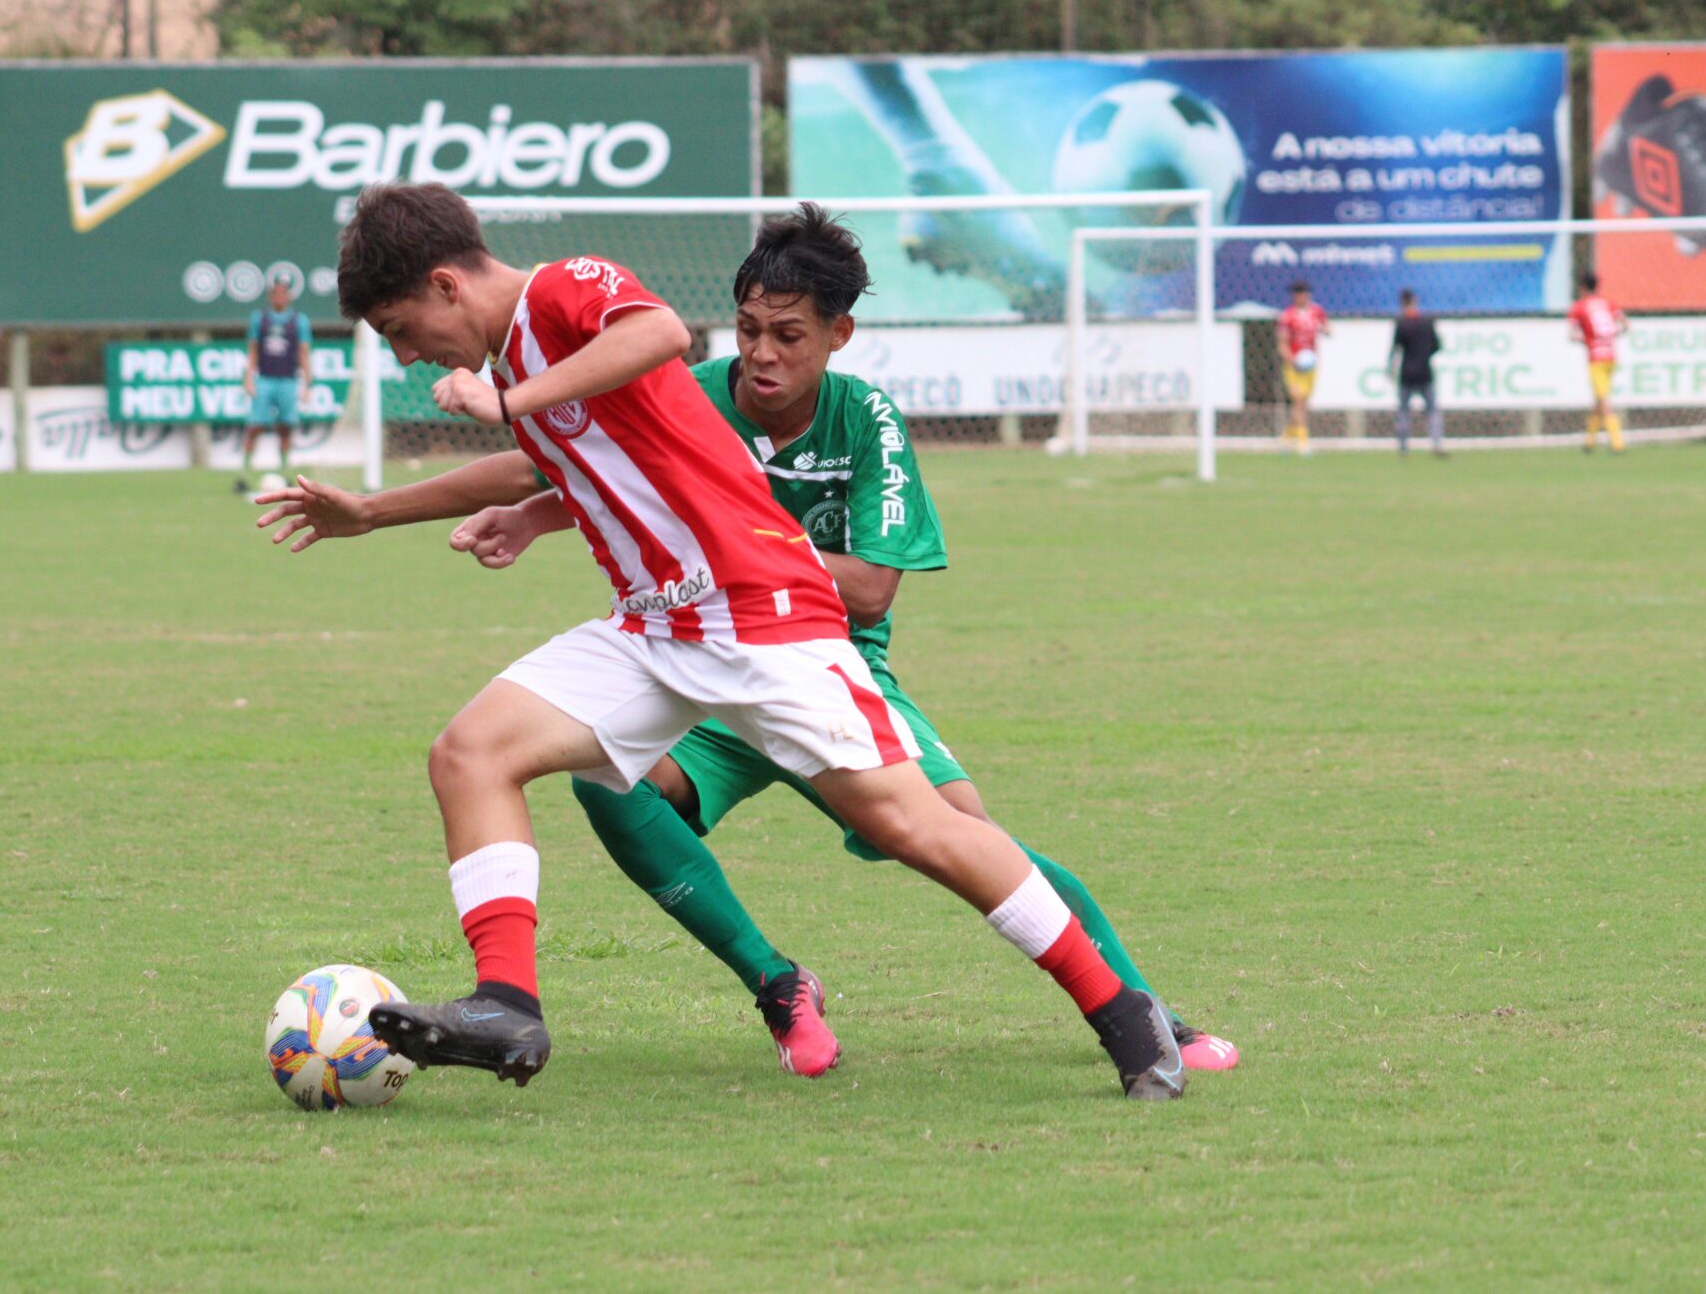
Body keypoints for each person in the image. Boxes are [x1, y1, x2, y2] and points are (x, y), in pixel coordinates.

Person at [261, 206, 1238, 1081]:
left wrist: (512, 404)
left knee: (919, 828)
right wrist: (377, 511)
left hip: (756, 612)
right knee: (470, 753)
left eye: (400, 331)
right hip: (654, 623)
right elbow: (548, 455)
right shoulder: (523, 364)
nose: (404, 356)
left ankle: (1121, 1012)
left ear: (445, 284)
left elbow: (657, 333)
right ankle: (507, 1008)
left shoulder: (562, 289)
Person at [236, 271, 313, 492]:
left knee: (286, 427)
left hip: (288, 381)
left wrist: (307, 384)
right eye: (275, 293)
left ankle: (286, 472)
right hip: (265, 379)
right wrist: (248, 379)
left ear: (289, 295)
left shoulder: (299, 321)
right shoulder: (259, 319)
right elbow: (252, 351)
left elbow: (304, 353)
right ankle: (244, 473)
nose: (279, 297)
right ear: (271, 295)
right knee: (255, 426)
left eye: (283, 293)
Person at [1568, 273, 1627, 453]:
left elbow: (1572, 334)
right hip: (1611, 357)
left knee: (1604, 401)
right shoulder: (1608, 304)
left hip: (1596, 359)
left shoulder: (1578, 307)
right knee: (1599, 401)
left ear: (1582, 287)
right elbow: (1625, 325)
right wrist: (1608, 339)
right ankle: (1589, 442)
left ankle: (1618, 444)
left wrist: (1588, 341)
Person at [1387, 289, 1445, 458]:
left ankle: (1403, 448)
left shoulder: (1401, 324)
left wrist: (1391, 369)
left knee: (1404, 411)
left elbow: (1395, 349)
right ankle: (1436, 444)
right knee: (1432, 410)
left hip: (1407, 374)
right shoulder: (1427, 322)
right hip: (1425, 372)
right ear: (1415, 301)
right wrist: (1424, 356)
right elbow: (1437, 346)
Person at [1277, 280, 1329, 453]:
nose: (1300, 296)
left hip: (1310, 364)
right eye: (1297, 293)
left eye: (1303, 293)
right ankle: (1302, 442)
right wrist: (1292, 361)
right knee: (1298, 401)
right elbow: (1282, 343)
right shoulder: (1287, 316)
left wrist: (1324, 330)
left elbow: (1328, 329)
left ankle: (1286, 439)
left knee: (1302, 403)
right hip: (1293, 365)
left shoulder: (1317, 312)